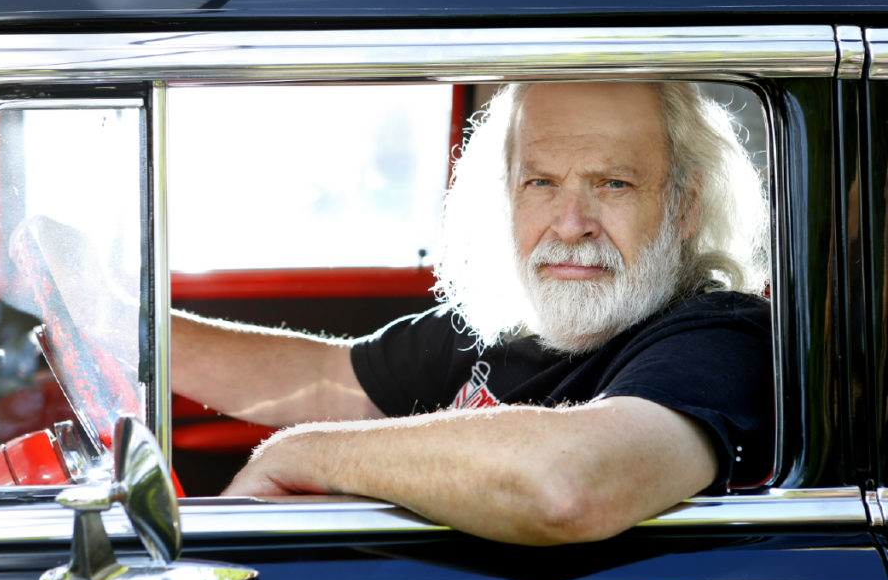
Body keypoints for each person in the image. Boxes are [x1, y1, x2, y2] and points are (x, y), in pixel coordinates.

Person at [171, 81, 773, 546]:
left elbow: (567, 485)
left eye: (613, 184)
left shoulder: (721, 337)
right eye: (540, 183)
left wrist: (300, 453)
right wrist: (120, 330)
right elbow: (323, 378)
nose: (570, 224)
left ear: (684, 208)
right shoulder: (510, 325)